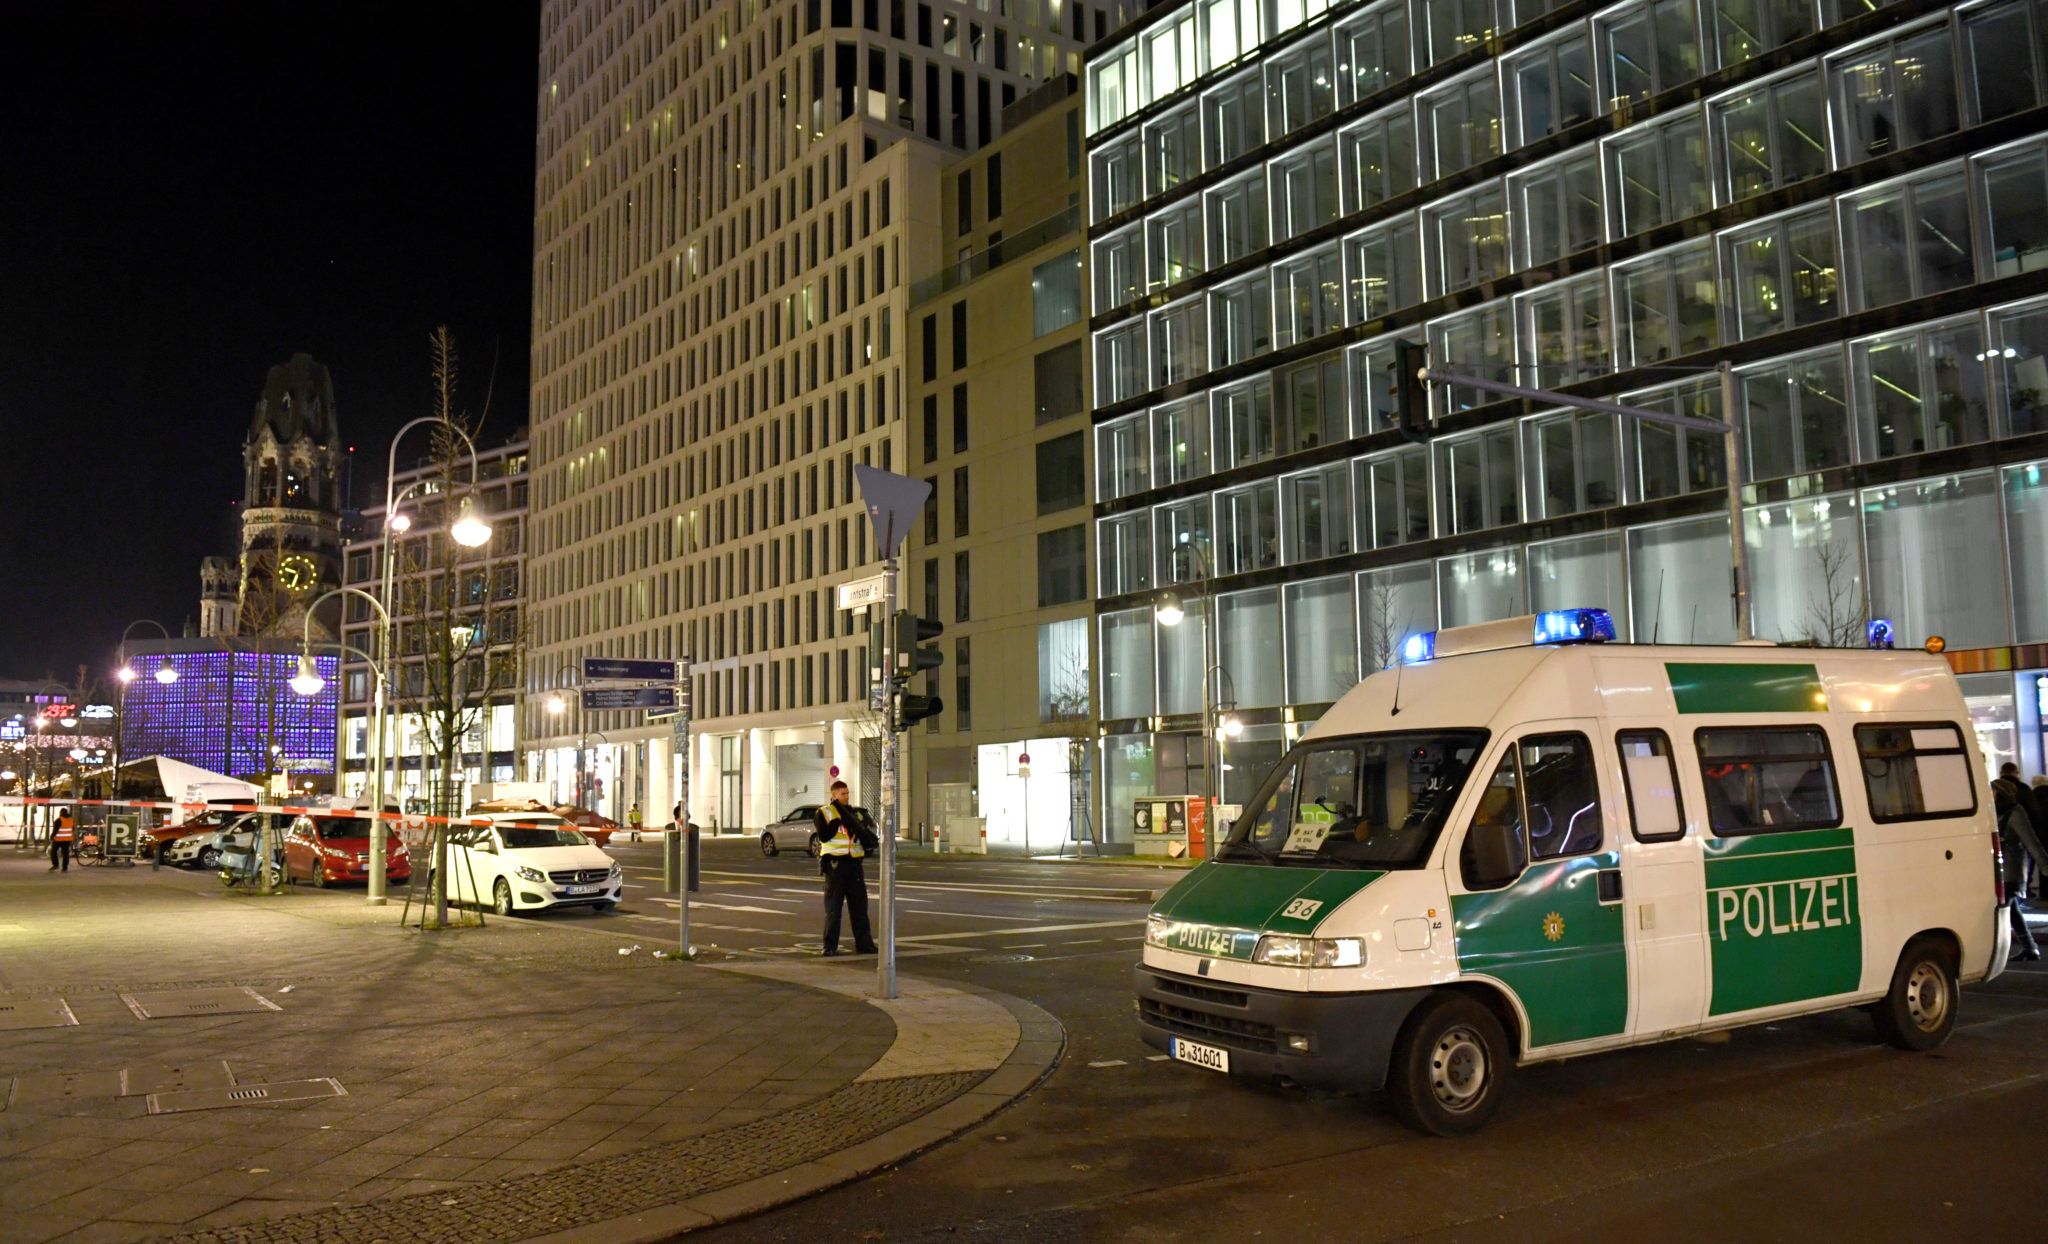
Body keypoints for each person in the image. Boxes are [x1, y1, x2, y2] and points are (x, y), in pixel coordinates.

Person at [813, 780, 878, 956]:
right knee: (833, 909)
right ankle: (830, 946)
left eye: (847, 793)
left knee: (860, 908)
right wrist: (838, 821)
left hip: (854, 864)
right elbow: (824, 836)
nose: (846, 796)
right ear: (834, 795)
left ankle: (864, 944)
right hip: (835, 865)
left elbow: (865, 836)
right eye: (843, 793)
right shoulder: (824, 813)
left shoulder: (855, 814)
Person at [1992, 763, 2048, 960]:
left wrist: (2045, 866)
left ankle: (1998, 949)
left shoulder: (2015, 813)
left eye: (1993, 792)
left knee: (2002, 909)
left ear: (2001, 793)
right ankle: (2029, 947)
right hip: (2000, 869)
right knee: (2011, 909)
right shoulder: (1995, 812)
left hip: (2012, 870)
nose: (1990, 795)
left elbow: (2031, 842)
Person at [49, 808, 74, 873]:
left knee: (53, 852)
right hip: (67, 840)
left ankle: (55, 865)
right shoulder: (71, 820)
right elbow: (72, 829)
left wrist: (52, 837)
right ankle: (65, 868)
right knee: (65, 854)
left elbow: (55, 830)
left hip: (58, 839)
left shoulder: (59, 820)